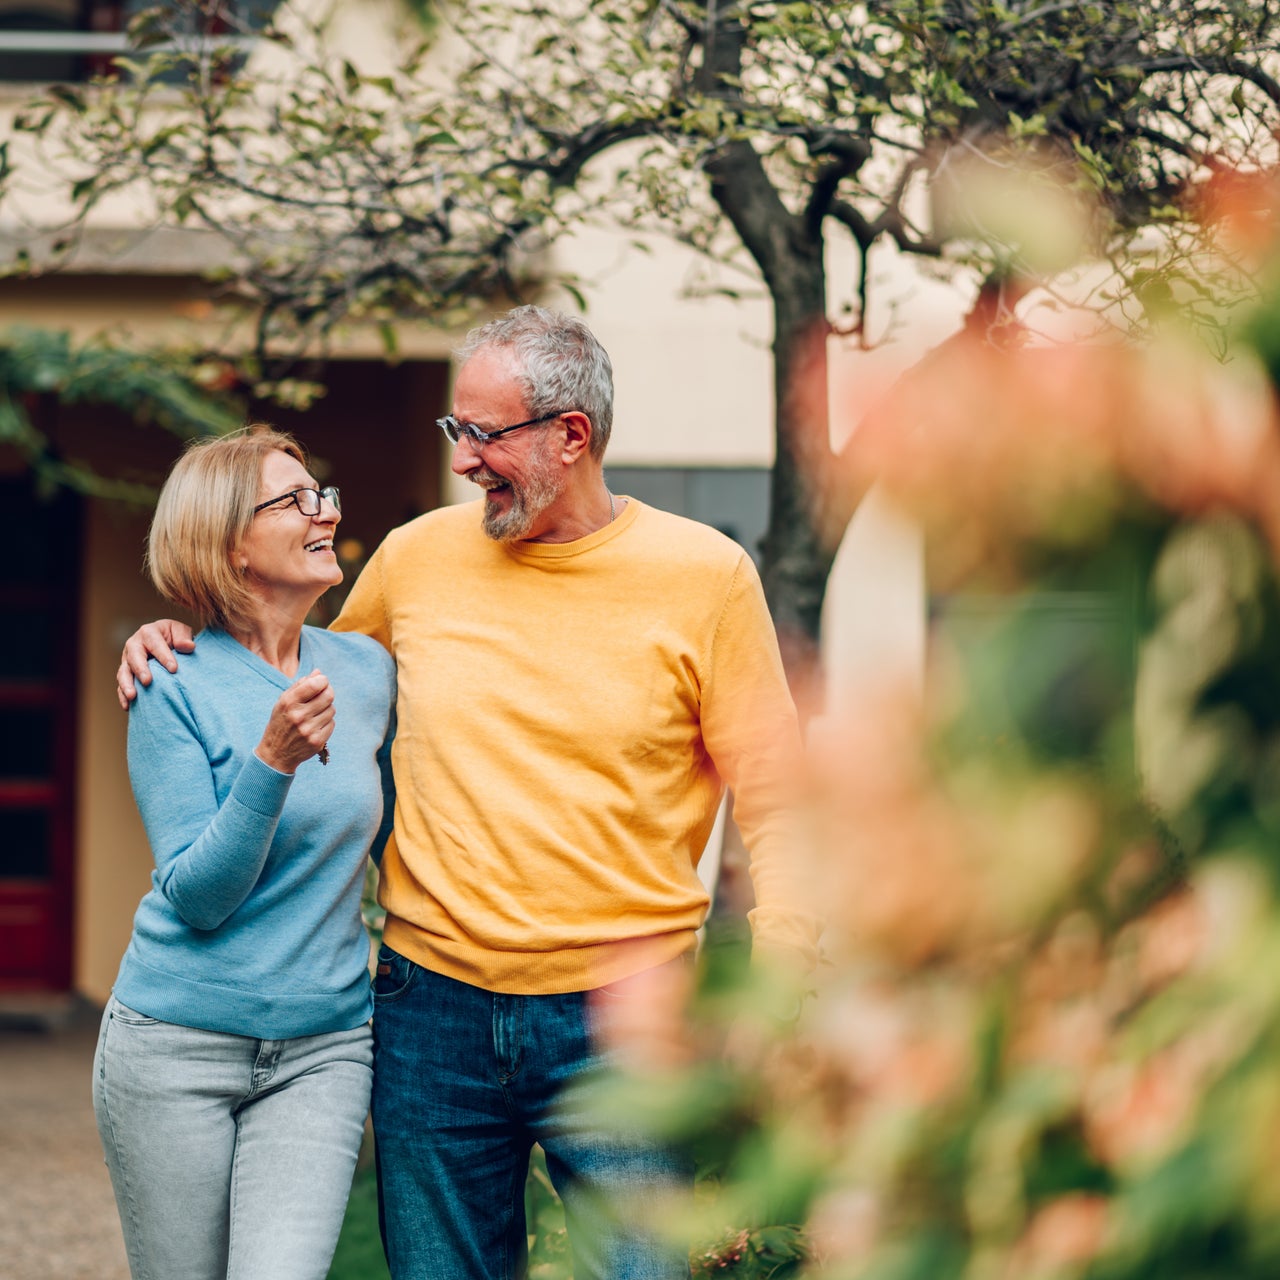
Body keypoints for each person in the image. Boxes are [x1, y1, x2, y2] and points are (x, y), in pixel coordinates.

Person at [117, 306, 818, 1280]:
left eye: (483, 435)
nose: (462, 461)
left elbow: (778, 795)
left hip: (624, 1020)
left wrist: (774, 987)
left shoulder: (704, 576)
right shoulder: (414, 559)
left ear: (570, 436)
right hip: (428, 1015)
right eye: (457, 431)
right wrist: (169, 636)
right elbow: (280, 658)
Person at [98, 425, 396, 1280]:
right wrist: (272, 762)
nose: (325, 514)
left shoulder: (369, 672)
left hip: (323, 1049)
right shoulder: (169, 683)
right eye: (296, 501)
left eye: (324, 495)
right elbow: (198, 895)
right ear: (230, 543)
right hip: (174, 1045)